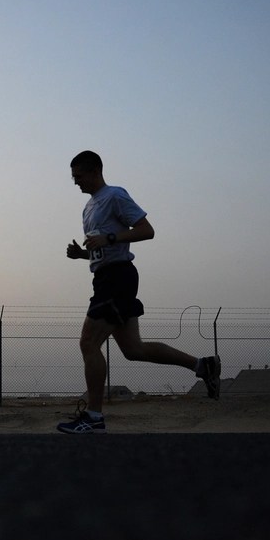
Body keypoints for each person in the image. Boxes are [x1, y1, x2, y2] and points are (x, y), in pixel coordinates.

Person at [59, 151, 220, 434]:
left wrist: (109, 237)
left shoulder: (115, 196)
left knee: (88, 343)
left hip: (118, 278)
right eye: (73, 177)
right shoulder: (88, 207)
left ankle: (94, 417)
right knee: (134, 349)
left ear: (95, 171)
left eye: (78, 176)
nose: (75, 182)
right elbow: (105, 250)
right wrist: (83, 255)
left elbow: (147, 230)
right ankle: (202, 365)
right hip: (105, 276)